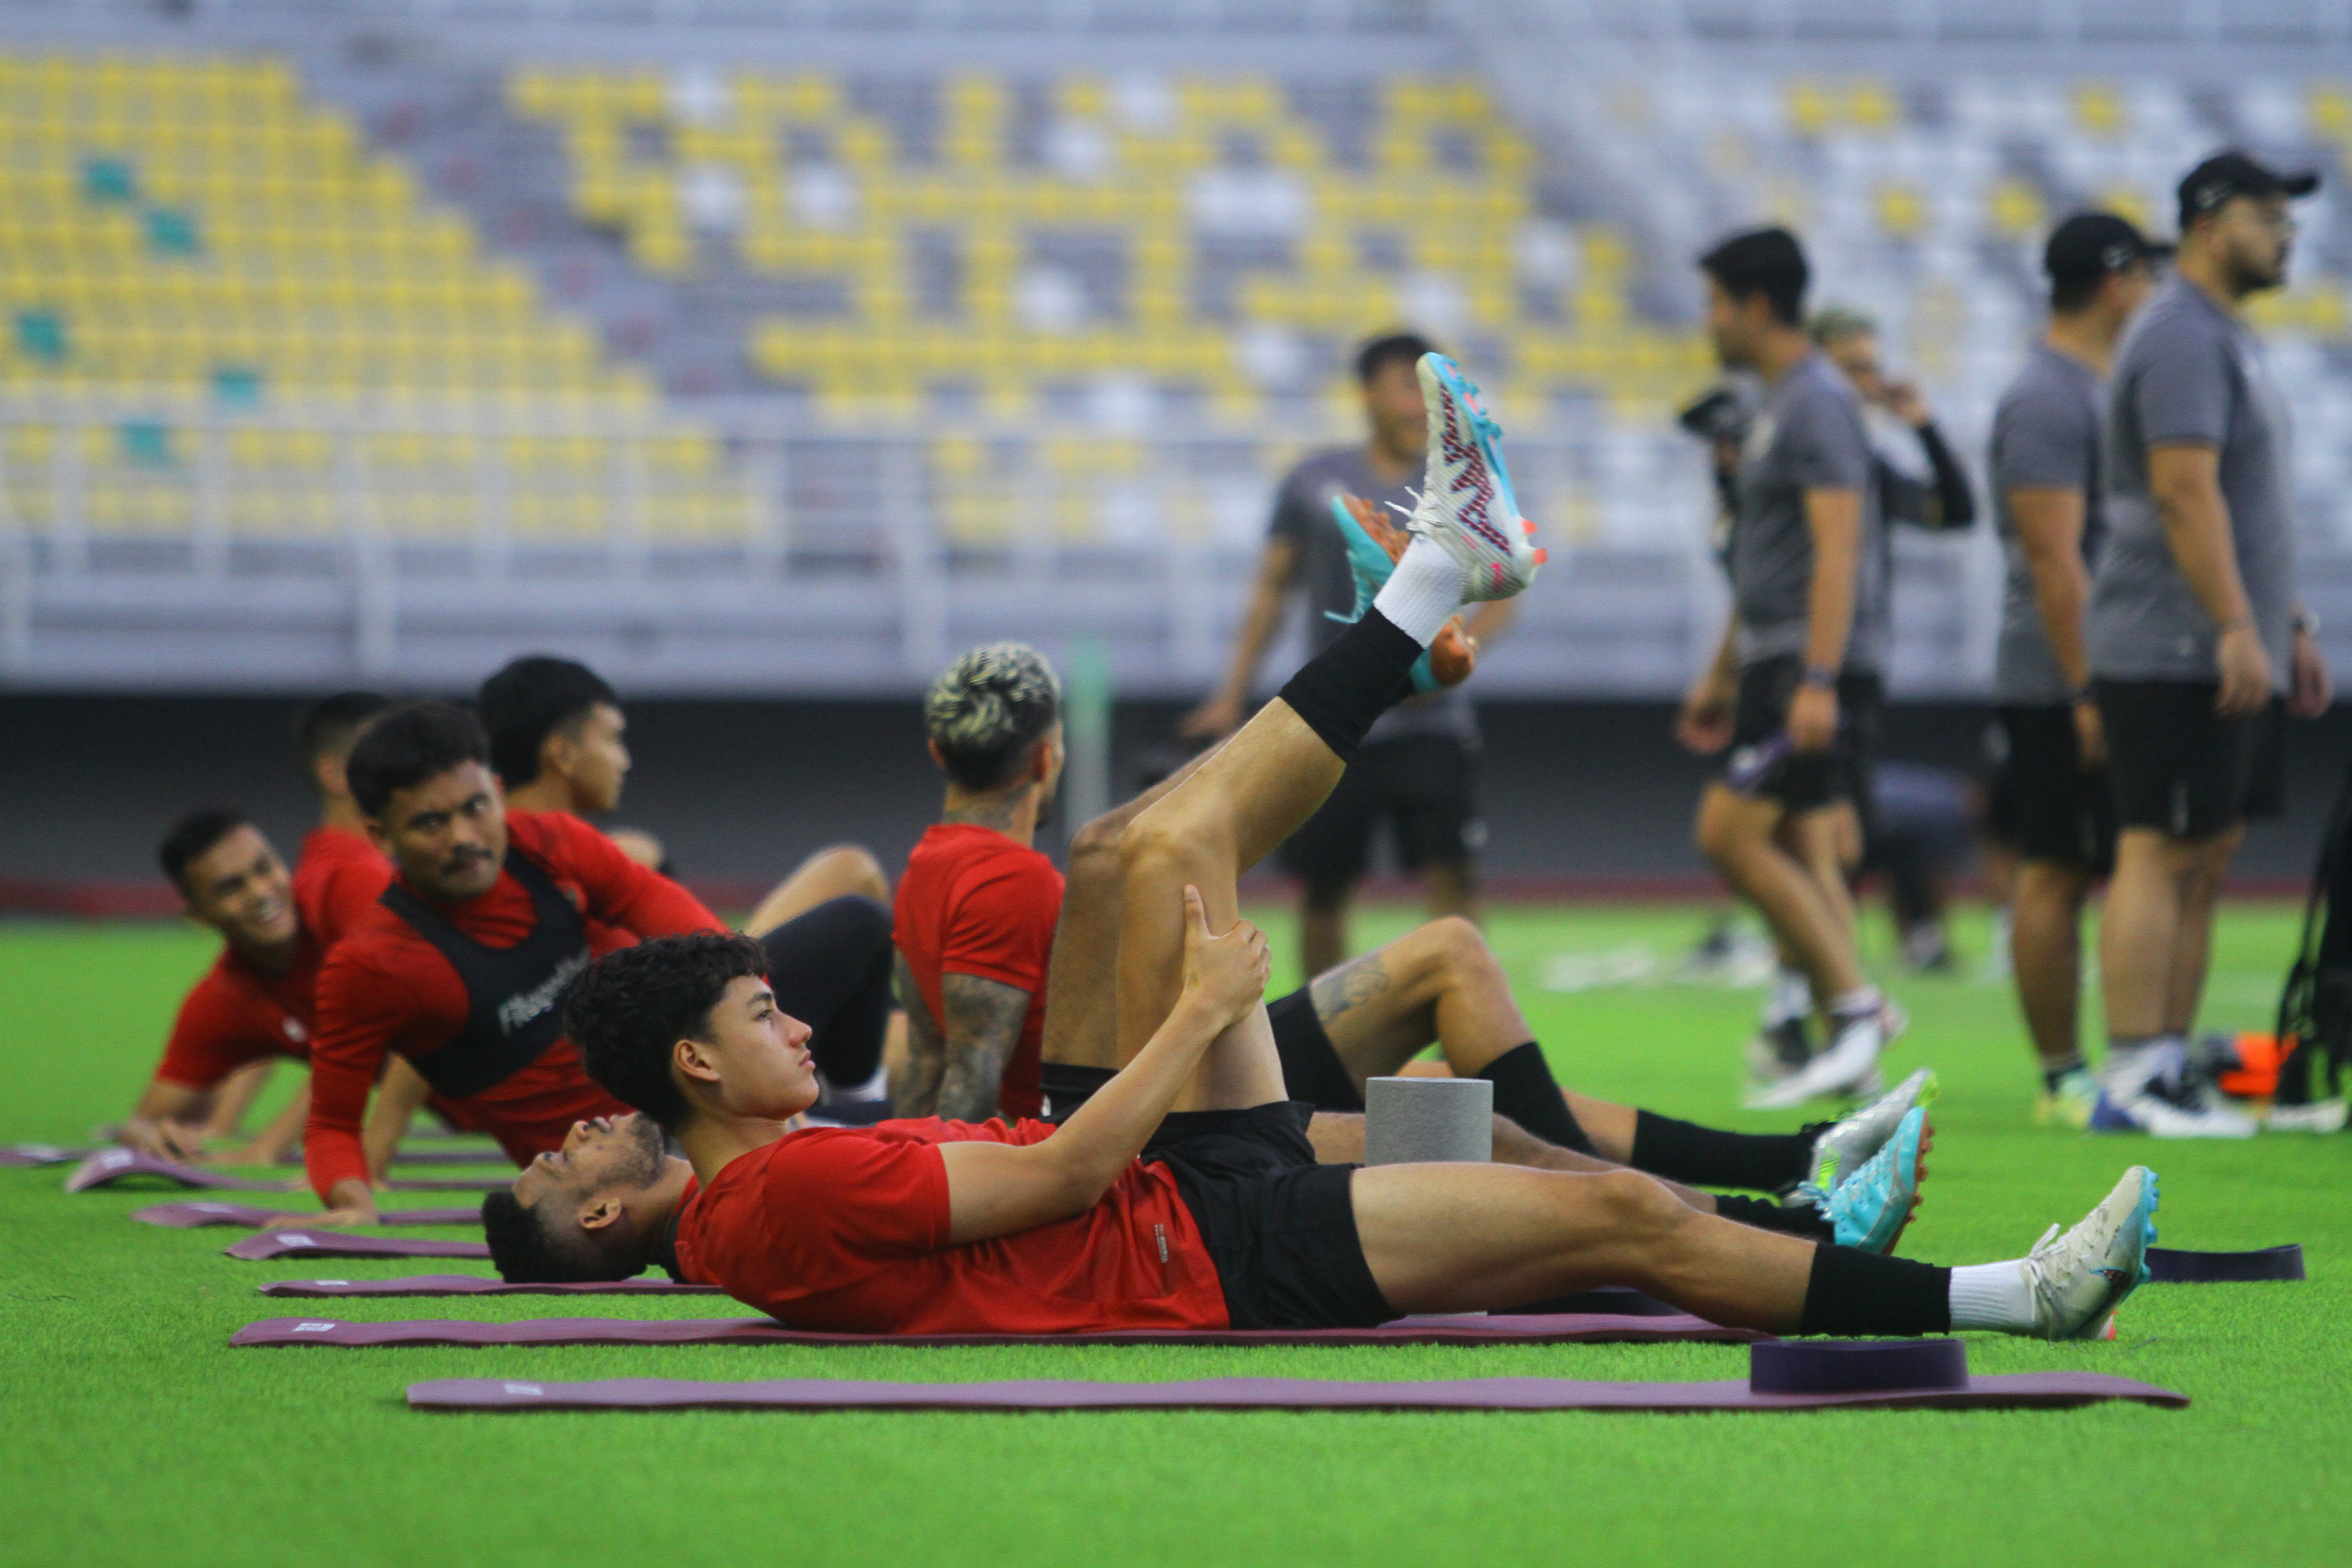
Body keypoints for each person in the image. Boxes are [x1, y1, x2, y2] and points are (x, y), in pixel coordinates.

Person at [531, 358, 2154, 1341]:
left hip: (1174, 1191)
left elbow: (1013, 1154)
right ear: (694, 1065)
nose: (792, 1024)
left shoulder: (766, 1185)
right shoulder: (771, 1198)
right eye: (761, 1023)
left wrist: (1182, 1017)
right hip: (1213, 1248)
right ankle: (2007, 1295)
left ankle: (1443, 578)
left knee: (1150, 844)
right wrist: (1196, 1009)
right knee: (1620, 1228)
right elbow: (1055, 1168)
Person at [302, 700, 898, 1221]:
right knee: (934, 1122)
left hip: (713, 1092)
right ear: (380, 836)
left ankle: (839, 1106)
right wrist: (353, 1203)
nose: (465, 836)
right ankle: (844, 1114)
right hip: (635, 1161)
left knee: (858, 923)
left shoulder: (550, 844)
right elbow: (332, 1124)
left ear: (498, 791)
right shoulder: (371, 965)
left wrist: (769, 1066)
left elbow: (710, 944)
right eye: (432, 822)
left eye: (477, 808)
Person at [2086, 153, 2333, 1137]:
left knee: (2207, 847)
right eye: (2267, 213)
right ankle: (2133, 1077)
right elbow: (2185, 491)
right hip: (2171, 642)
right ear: (2207, 220)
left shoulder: (2223, 336)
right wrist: (2237, 624)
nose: (2285, 233)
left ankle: (2168, 1064)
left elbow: (2243, 501)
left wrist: (2288, 621)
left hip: (2223, 638)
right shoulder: (2183, 336)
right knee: (2159, 846)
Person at [1179, 332, 1514, 979]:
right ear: (1367, 393)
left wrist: (1458, 651)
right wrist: (1231, 691)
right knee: (1324, 886)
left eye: (1428, 392)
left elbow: (1505, 590)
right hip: (1336, 722)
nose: (1420, 406)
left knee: (1455, 878)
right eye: (1404, 388)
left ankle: (1471, 1022)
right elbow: (1273, 589)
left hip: (1429, 721)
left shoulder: (1459, 484)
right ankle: (1326, 1037)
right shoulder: (1313, 482)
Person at [1676, 228, 1897, 1109]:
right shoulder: (1778, 402)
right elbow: (1768, 559)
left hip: (1803, 666)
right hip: (1774, 657)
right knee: (1807, 848)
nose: (1711, 321)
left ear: (1756, 304)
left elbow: (1839, 548)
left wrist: (1817, 677)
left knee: (1729, 835)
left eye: (1717, 303)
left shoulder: (1814, 402)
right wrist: (1724, 668)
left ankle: (1855, 1007)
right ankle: (1852, 1038)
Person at [1987, 213, 2165, 1127]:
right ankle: (2061, 1076)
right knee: (2056, 865)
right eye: (2144, 275)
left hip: (2099, 665)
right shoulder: (2048, 397)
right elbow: (2055, 560)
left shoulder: (2090, 384)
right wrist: (2086, 685)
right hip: (2061, 675)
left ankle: (2142, 1064)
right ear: (2113, 282)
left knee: (2123, 857)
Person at [891, 642, 1067, 1122]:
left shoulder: (923, 865)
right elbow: (973, 1077)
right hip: (1053, 1156)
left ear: (936, 753)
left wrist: (897, 1164)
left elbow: (926, 1062)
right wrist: (930, 1194)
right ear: (1044, 758)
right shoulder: (1016, 880)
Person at [118, 812, 324, 1164]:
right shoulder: (221, 1000)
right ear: (198, 915)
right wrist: (157, 1138)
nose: (260, 892)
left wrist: (267, 1148)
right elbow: (143, 1122)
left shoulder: (342, 916)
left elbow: (375, 1044)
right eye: (231, 887)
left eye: (265, 867)